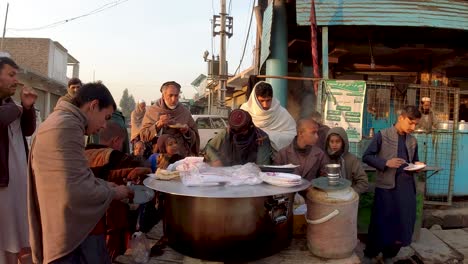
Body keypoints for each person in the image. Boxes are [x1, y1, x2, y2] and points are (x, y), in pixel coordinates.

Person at [28, 82, 134, 264]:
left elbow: (76, 175)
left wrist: (104, 185)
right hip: (67, 235)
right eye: (106, 117)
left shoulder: (63, 121)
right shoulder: (66, 126)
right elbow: (76, 190)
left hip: (59, 223)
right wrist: (115, 192)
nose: (104, 126)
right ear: (93, 106)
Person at [361, 106, 424, 264]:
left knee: (403, 224)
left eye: (416, 124)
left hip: (407, 188)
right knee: (380, 223)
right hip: (386, 188)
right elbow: (367, 157)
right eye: (411, 123)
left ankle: (390, 255)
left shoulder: (412, 140)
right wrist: (385, 163)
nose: (413, 127)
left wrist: (417, 165)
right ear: (401, 118)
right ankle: (370, 253)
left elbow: (414, 160)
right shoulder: (382, 135)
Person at [85, 120, 151, 261]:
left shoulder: (84, 153)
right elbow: (141, 166)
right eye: (121, 143)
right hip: (111, 222)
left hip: (86, 223)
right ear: (116, 140)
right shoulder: (114, 157)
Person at [0, 57, 37, 264]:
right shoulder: (11, 107)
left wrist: (28, 108)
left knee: (13, 241)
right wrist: (19, 108)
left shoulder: (10, 104)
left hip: (15, 183)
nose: (16, 80)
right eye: (11, 75)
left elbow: (27, 130)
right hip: (2, 185)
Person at [140, 81, 199, 156]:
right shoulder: (153, 111)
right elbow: (143, 136)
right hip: (160, 157)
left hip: (180, 156)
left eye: (176, 95)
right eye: (170, 95)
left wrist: (187, 131)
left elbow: (194, 138)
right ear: (163, 95)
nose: (174, 99)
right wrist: (158, 124)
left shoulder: (184, 112)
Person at [205, 109, 273, 167]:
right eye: (236, 132)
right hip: (229, 174)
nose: (238, 135)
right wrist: (215, 159)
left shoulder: (261, 138)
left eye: (241, 132)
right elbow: (209, 147)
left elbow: (262, 166)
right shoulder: (227, 133)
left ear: (250, 127)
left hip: (251, 176)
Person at [240, 81, 296, 151]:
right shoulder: (245, 111)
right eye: (262, 101)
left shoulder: (281, 112)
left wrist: (268, 137)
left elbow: (293, 136)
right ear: (255, 99)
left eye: (268, 100)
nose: (265, 105)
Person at [325, 127, 368, 194]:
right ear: (328, 142)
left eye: (338, 141)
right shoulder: (324, 159)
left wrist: (349, 193)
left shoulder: (352, 159)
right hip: (328, 198)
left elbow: (363, 182)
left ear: (343, 142)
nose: (334, 145)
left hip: (348, 198)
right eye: (332, 141)